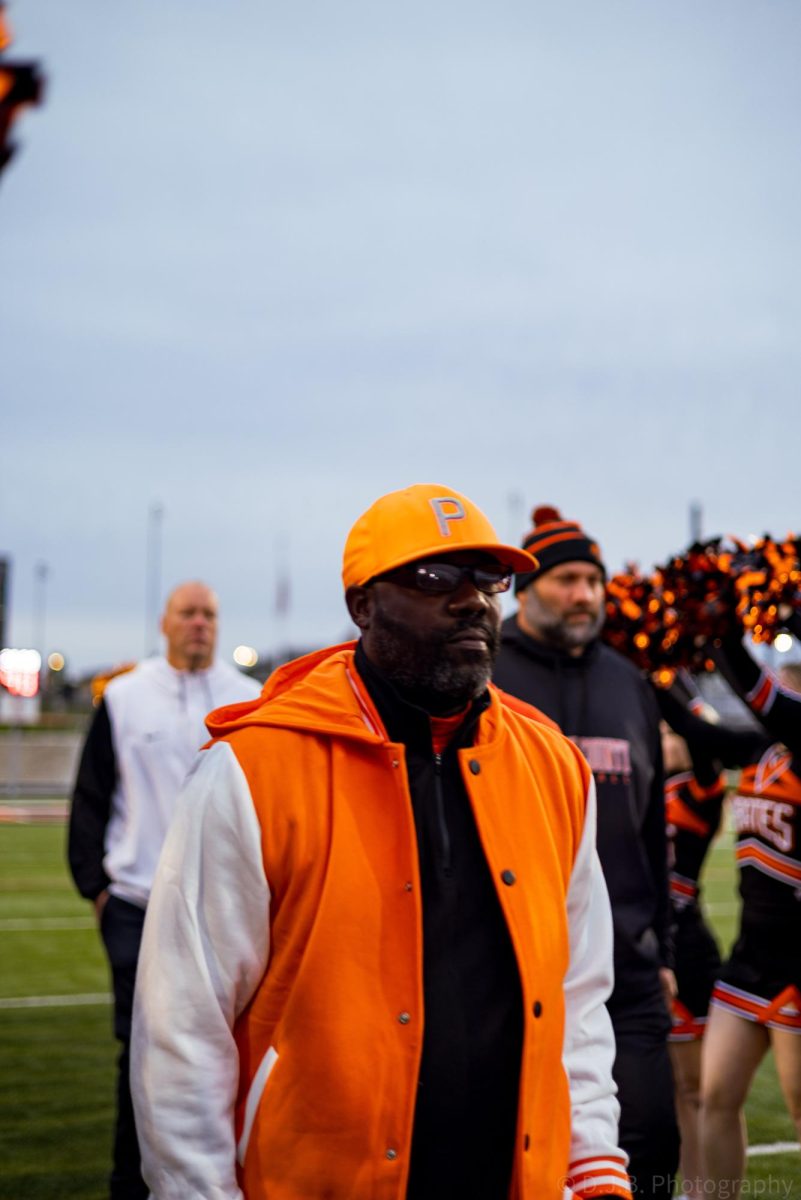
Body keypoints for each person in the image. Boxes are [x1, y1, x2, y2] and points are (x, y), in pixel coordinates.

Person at [131, 484, 632, 1200]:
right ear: (361, 605)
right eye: (435, 577)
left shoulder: (552, 765)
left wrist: (592, 1172)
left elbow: (577, 1002)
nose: (472, 600)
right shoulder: (254, 766)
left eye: (489, 577)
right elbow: (181, 1027)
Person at [492, 505, 680, 1200]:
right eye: (567, 579)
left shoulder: (628, 683)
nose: (585, 595)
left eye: (593, 581)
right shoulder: (484, 672)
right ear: (525, 586)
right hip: (513, 958)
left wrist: (660, 943)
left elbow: (649, 827)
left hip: (626, 970)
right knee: (516, 1149)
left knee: (652, 1141)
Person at [67, 581, 261, 1200]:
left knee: (233, 1054)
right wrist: (96, 889)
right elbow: (92, 798)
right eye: (188, 613)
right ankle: (133, 1184)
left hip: (228, 910)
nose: (199, 623)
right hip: (138, 904)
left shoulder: (249, 699)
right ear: (164, 623)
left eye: (209, 613)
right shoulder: (124, 697)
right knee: (146, 1054)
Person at [659, 635, 801, 1195]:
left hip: (799, 969)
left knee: (797, 1109)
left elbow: (755, 688)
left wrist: (719, 626)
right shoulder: (757, 751)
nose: (788, 688)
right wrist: (654, 659)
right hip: (747, 963)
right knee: (715, 1098)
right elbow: (694, 727)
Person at [657, 683, 726, 1200]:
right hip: (641, 951)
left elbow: (705, 742)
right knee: (655, 1092)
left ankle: (702, 1191)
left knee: (695, 1088)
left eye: (670, 734)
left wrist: (666, 677)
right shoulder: (633, 786)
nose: (664, 740)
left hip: (689, 951)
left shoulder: (698, 792)